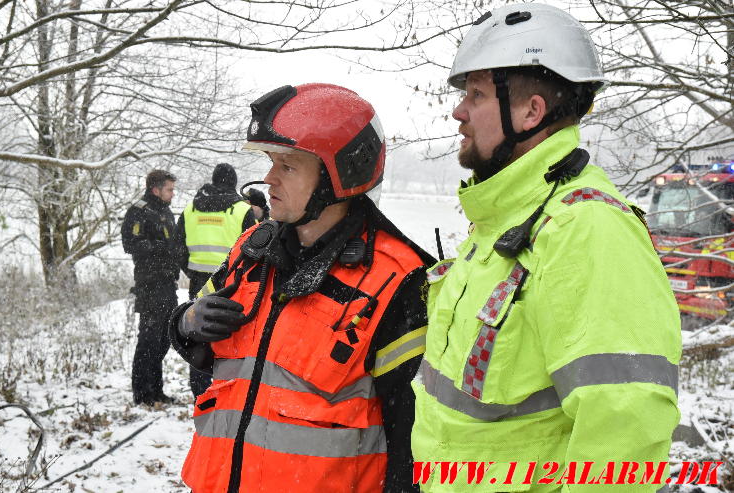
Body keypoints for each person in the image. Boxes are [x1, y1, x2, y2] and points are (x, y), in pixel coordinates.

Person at [411, 4, 681, 492]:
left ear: (530, 111)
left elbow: (625, 426)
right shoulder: (505, 221)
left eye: (474, 94)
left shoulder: (584, 228)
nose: (459, 111)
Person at [167, 83, 434, 493]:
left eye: (287, 166)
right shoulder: (252, 250)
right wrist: (186, 323)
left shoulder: (396, 279)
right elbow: (208, 346)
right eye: (272, 163)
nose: (269, 179)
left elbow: (412, 437)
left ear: (340, 176)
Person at [173, 163, 257, 399]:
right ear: (232, 183)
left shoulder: (190, 209)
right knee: (231, 333)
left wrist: (192, 272)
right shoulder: (242, 209)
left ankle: (200, 391)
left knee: (198, 330)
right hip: (232, 282)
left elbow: (178, 247)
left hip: (199, 280)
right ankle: (229, 392)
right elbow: (256, 248)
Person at [121, 169, 180, 406]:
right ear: (156, 189)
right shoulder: (139, 211)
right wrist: (161, 249)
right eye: (169, 189)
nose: (173, 194)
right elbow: (130, 243)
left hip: (168, 284)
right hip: (150, 284)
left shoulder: (165, 211)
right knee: (148, 340)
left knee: (165, 339)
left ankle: (157, 391)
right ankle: (142, 393)